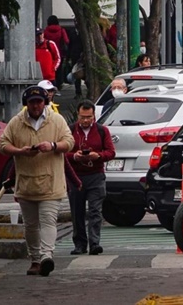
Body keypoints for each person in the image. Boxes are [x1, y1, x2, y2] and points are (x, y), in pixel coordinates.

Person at [0, 85, 75, 276]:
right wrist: (20, 151)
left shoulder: (56, 120)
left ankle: (46, 256)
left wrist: (53, 146)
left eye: (39, 102)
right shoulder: (16, 122)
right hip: (26, 184)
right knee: (31, 225)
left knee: (48, 220)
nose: (35, 106)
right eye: (32, 102)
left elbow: (69, 142)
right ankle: (35, 259)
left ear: (45, 102)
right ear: (26, 103)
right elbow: (3, 145)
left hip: (52, 183)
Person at [66, 100, 115, 256]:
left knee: (95, 211)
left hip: (96, 175)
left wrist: (98, 156)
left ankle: (95, 243)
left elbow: (111, 152)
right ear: (77, 115)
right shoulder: (70, 130)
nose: (86, 120)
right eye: (82, 117)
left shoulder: (102, 130)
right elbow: (62, 152)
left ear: (94, 116)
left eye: (89, 117)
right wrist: (74, 156)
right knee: (77, 212)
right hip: (75, 176)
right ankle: (80, 244)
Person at [44, 15, 69, 88]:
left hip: (48, 53)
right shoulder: (61, 30)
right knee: (59, 69)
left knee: (49, 68)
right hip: (59, 53)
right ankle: (59, 84)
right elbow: (67, 41)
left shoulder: (46, 31)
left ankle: (50, 84)